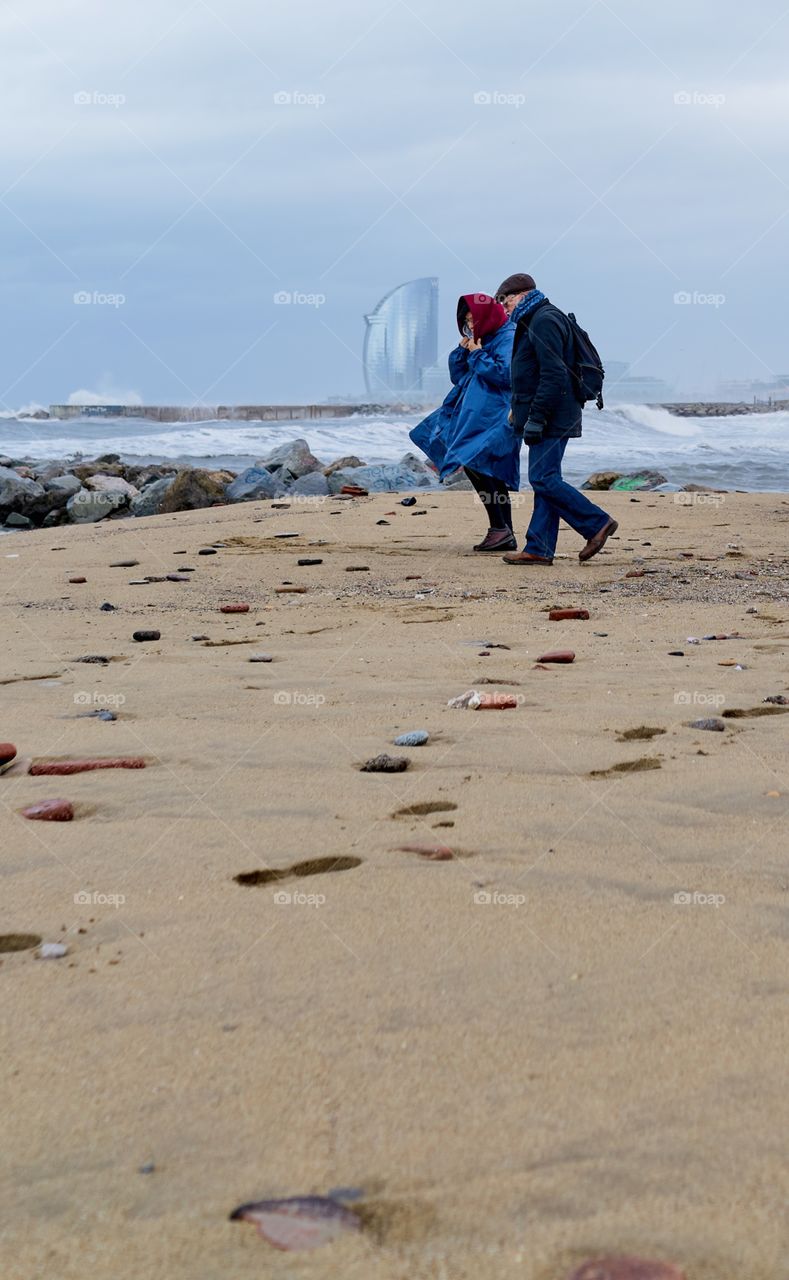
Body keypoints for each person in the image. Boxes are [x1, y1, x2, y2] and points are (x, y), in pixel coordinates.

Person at [493, 272, 618, 565]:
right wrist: (519, 409)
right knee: (546, 479)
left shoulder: (543, 320)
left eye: (505, 301)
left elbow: (553, 375)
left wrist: (536, 418)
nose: (503, 308)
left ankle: (596, 523)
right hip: (551, 412)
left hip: (553, 415)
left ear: (521, 295)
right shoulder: (534, 318)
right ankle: (539, 547)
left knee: (543, 478)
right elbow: (533, 373)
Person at [410, 293, 519, 552]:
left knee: (479, 462)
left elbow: (505, 375)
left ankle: (500, 529)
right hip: (474, 413)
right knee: (481, 465)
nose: (470, 324)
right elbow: (458, 376)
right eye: (466, 320)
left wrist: (478, 354)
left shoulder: (508, 336)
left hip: (496, 415)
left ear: (487, 315)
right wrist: (464, 351)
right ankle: (503, 531)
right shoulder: (484, 337)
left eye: (473, 318)